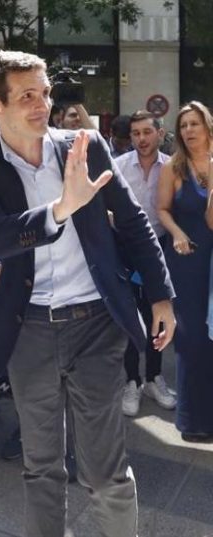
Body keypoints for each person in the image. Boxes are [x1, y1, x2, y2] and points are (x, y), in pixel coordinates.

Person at [0, 50, 175, 537]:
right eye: (27, 96)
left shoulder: (85, 145)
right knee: (41, 467)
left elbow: (133, 222)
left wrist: (161, 295)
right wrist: (61, 208)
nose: (43, 105)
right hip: (29, 329)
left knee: (104, 470)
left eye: (45, 93)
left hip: (96, 324)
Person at [156, 101, 213, 442]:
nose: (188, 130)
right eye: (183, 125)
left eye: (194, 123)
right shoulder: (173, 167)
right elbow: (161, 209)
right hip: (187, 259)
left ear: (208, 126)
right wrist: (177, 233)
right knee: (192, 340)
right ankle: (193, 421)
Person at [115, 110, 176, 417]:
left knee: (158, 314)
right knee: (130, 316)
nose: (141, 139)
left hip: (160, 249)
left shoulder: (172, 167)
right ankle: (132, 380)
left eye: (146, 132)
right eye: (135, 133)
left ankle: (154, 377)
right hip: (125, 249)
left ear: (159, 134)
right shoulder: (119, 166)